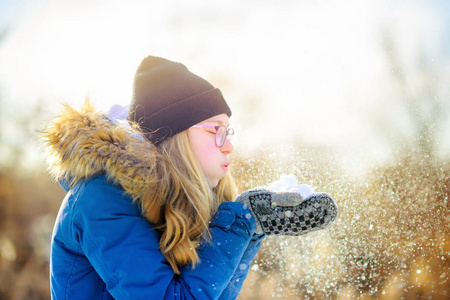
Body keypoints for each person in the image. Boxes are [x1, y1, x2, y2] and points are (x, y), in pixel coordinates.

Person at [41, 56, 338, 300]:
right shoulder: (103, 198)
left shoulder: (168, 202)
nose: (229, 145)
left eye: (229, 131)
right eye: (215, 130)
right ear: (175, 135)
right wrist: (240, 223)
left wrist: (250, 229)